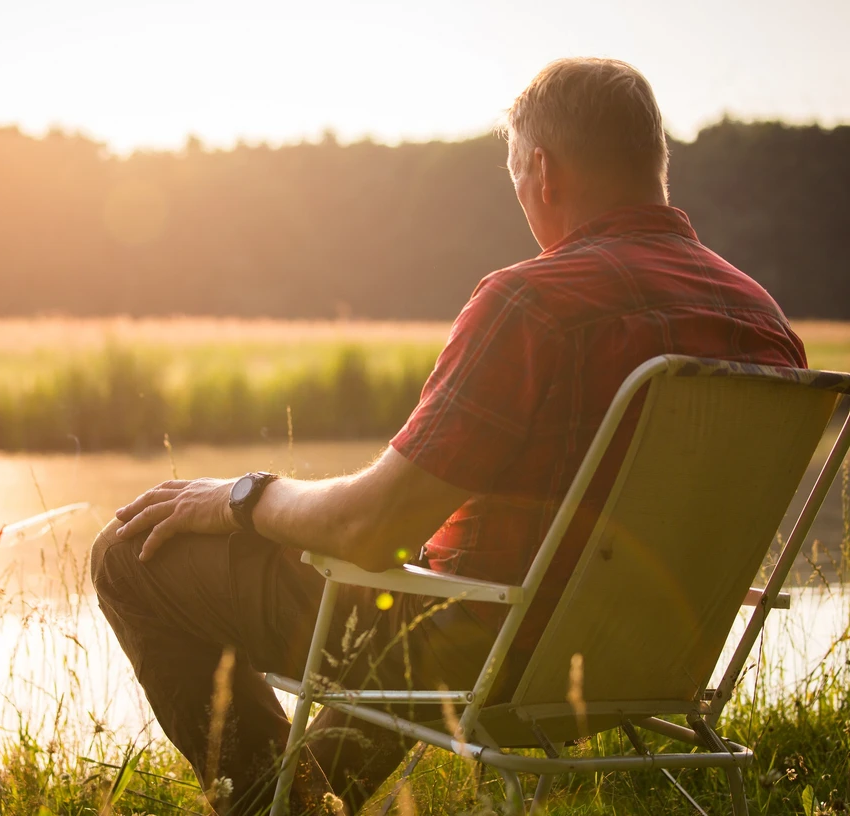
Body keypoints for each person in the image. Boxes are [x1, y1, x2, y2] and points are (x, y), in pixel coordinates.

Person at [91, 57, 806, 814]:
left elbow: (368, 529)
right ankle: (303, 801)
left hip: (494, 656)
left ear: (540, 169)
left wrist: (242, 497)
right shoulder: (765, 325)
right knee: (421, 588)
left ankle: (284, 808)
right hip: (662, 656)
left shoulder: (533, 303)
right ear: (652, 163)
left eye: (515, 178)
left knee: (126, 558)